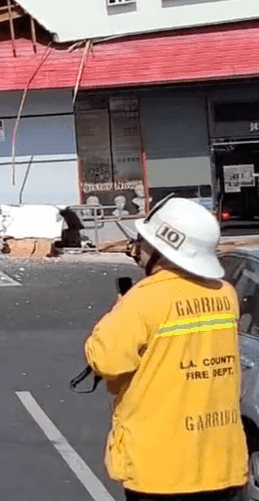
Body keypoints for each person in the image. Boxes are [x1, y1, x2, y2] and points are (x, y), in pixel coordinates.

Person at [85, 196, 248, 500]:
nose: (137, 250)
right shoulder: (226, 295)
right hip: (221, 462)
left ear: (161, 249)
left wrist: (116, 314)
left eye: (142, 242)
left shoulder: (144, 299)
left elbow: (106, 360)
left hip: (160, 470)